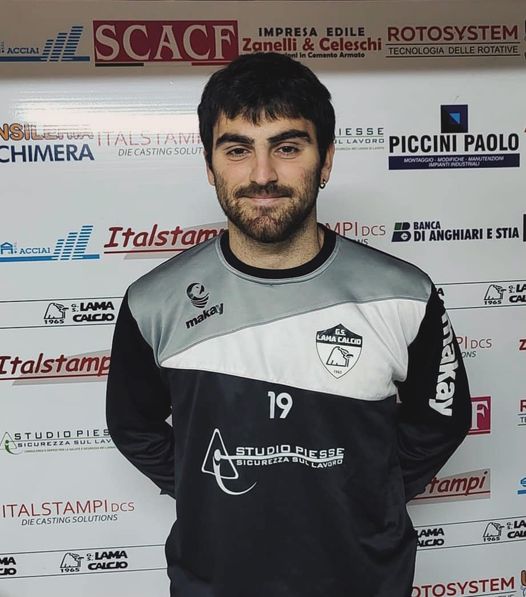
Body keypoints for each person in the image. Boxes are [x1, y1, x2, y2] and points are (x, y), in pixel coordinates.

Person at [106, 52, 471, 597]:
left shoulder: (405, 293)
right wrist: (205, 492)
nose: (262, 175)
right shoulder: (153, 301)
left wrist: (368, 493)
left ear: (326, 161)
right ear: (209, 165)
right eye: (237, 150)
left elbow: (440, 420)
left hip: (364, 581)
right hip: (216, 583)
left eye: (288, 147)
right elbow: (133, 426)